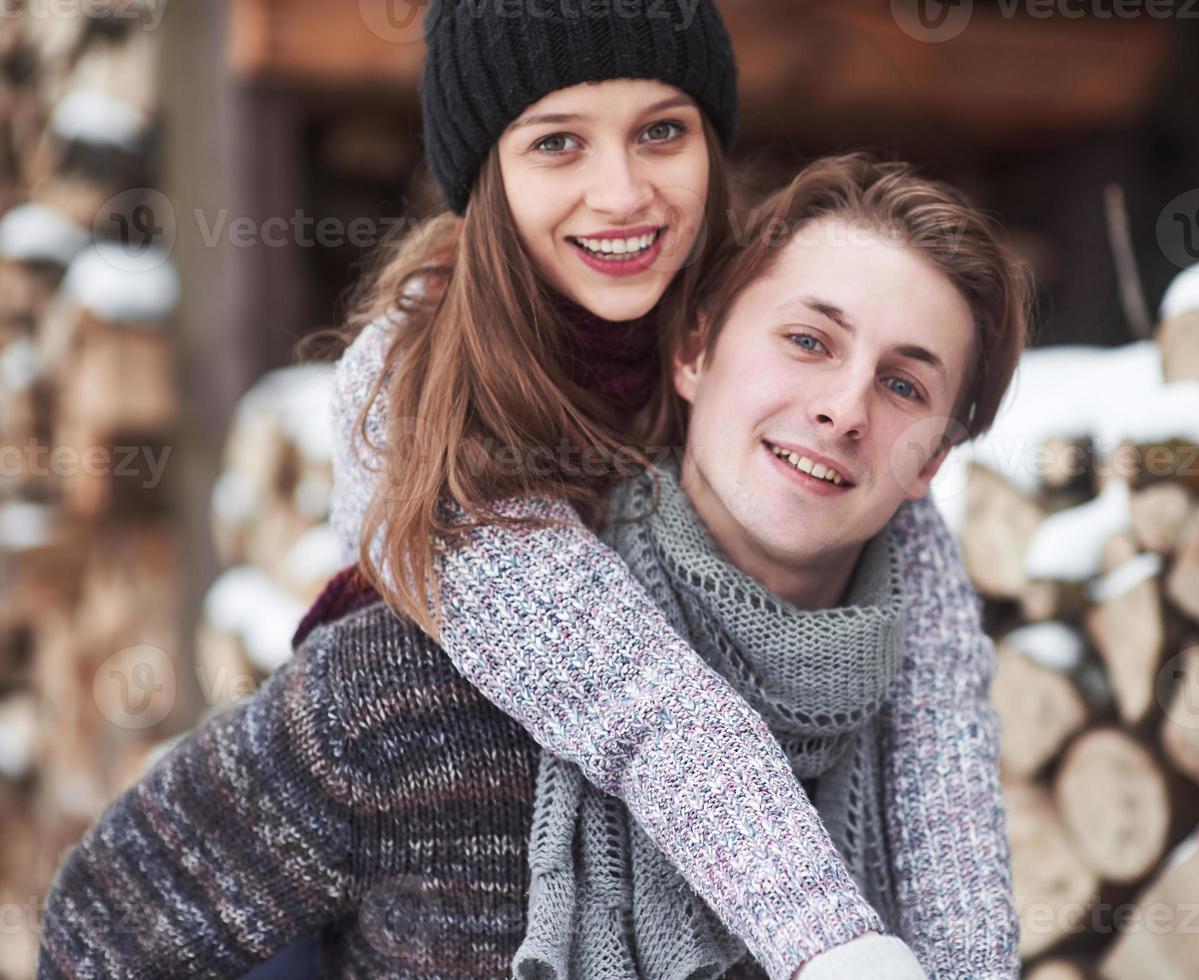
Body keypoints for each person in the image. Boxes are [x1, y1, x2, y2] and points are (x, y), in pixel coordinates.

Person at [37, 153, 1028, 980]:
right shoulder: (416, 681)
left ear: (931, 461)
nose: (846, 407)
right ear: (694, 351)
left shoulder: (925, 773)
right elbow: (101, 931)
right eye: (807, 340)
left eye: (903, 382)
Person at [321, 2, 1022, 975]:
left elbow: (938, 723)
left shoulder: (766, 328)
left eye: (662, 131)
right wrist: (830, 940)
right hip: (395, 859)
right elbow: (644, 699)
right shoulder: (415, 392)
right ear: (486, 175)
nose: (621, 193)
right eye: (557, 142)